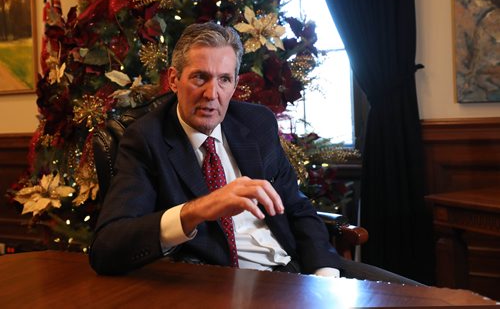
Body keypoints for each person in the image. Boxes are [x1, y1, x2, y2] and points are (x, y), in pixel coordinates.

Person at [90, 22, 421, 285]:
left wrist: (324, 277)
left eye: (224, 80)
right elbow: (107, 247)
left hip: (301, 271)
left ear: (235, 84)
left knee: (423, 299)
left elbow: (298, 208)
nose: (212, 93)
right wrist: (199, 210)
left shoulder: (256, 123)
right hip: (226, 285)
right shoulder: (145, 139)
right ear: (174, 80)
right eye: (199, 78)